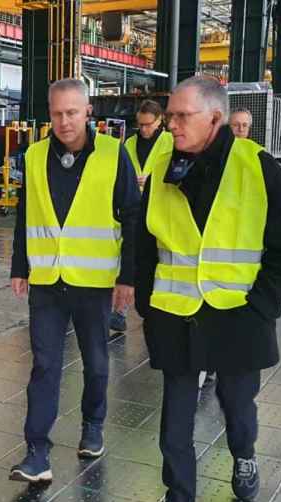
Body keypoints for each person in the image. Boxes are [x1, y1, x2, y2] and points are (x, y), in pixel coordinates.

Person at [133, 76, 281, 502]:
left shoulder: (258, 168)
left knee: (236, 403)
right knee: (176, 419)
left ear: (215, 117)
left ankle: (244, 453)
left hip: (238, 316)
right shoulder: (165, 164)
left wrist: (259, 308)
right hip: (177, 313)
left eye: (181, 116)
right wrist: (149, 307)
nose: (172, 125)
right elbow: (146, 244)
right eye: (169, 116)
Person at [8, 79, 140, 482]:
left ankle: (93, 425)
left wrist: (127, 277)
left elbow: (133, 217)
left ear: (88, 113)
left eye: (72, 112)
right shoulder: (33, 156)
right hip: (47, 279)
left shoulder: (113, 155)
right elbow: (26, 212)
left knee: (96, 362)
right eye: (56, 113)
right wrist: (19, 266)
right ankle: (36, 452)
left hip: (94, 280)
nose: (64, 122)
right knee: (45, 365)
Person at [113, 100, 172, 333]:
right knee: (128, 257)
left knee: (155, 262)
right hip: (133, 209)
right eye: (141, 125)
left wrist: (153, 181)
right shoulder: (129, 143)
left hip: (160, 209)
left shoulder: (170, 142)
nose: (144, 129)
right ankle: (119, 312)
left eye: (149, 125)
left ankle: (156, 312)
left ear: (160, 121)